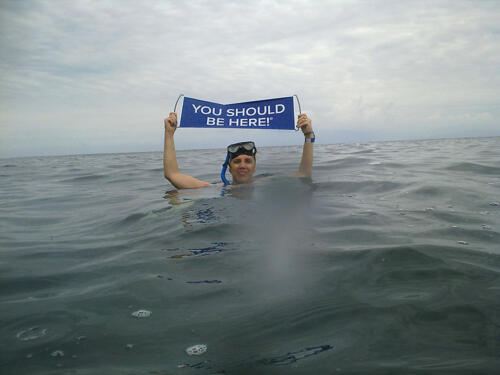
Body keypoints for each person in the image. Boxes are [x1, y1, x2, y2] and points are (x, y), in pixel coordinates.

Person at [163, 112, 314, 189]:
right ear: (228, 168)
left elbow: (303, 174)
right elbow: (172, 174)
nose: (242, 165)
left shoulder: (266, 184)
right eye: (236, 161)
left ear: (255, 167)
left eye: (248, 161)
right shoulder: (216, 189)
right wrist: (169, 134)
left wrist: (308, 135)